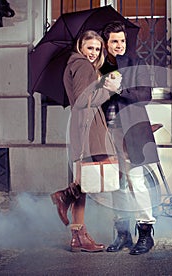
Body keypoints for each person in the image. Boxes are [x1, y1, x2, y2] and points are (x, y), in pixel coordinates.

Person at [50, 30, 121, 252]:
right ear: (81, 46)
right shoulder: (81, 64)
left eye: (97, 49)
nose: (93, 52)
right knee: (92, 176)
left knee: (86, 177)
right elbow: (82, 101)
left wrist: (100, 82)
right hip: (87, 126)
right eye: (90, 47)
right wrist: (109, 91)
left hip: (84, 124)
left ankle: (78, 237)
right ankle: (64, 195)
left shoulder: (79, 64)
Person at [100, 21, 160, 255]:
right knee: (117, 186)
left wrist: (120, 89)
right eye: (114, 41)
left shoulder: (136, 64)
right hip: (107, 132)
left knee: (137, 182)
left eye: (122, 40)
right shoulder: (100, 67)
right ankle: (123, 234)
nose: (119, 45)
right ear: (106, 43)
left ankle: (146, 233)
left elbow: (145, 96)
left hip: (131, 133)